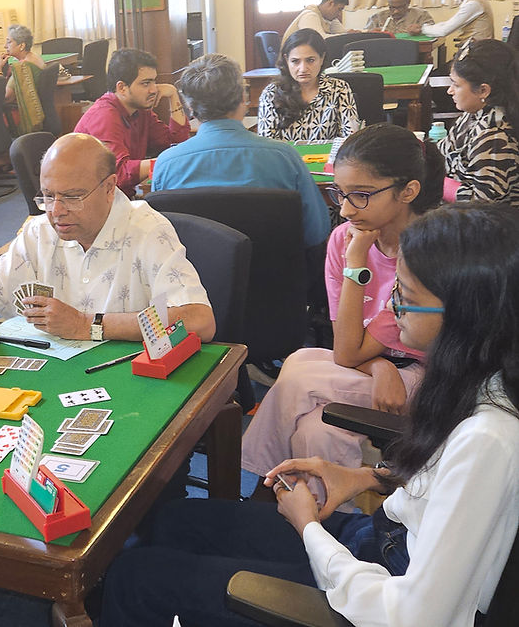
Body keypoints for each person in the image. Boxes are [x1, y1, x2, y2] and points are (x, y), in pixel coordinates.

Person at [101, 201, 519, 627]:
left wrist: (309, 530)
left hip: (372, 594)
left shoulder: (488, 438)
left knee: (133, 578)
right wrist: (363, 477)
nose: (393, 309)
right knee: (173, 521)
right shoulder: (478, 381)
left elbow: (415, 616)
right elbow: (441, 488)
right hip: (380, 541)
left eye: (404, 297)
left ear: (463, 313)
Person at [241, 125, 445, 490]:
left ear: (408, 191)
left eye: (362, 195)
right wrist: (381, 366)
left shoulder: (428, 251)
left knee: (301, 375)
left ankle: (260, 484)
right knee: (317, 429)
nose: (347, 209)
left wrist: (355, 266)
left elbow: (347, 351)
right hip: (373, 369)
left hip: (432, 379)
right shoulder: (343, 240)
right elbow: (345, 344)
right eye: (341, 194)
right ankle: (326, 520)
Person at [0, 133, 215, 350]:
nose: (56, 211)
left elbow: (200, 321)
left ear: (109, 188)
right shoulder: (39, 230)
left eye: (72, 197)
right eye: (48, 196)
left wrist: (86, 325)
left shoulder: (147, 230)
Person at [152, 54, 330, 250]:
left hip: (198, 278)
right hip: (279, 276)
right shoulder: (284, 157)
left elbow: (163, 240)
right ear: (243, 99)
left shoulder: (166, 164)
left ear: (190, 107)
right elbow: (317, 232)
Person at [73, 48, 189, 197]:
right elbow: (119, 174)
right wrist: (167, 162)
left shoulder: (139, 110)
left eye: (154, 81)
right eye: (145, 83)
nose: (154, 89)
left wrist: (173, 95)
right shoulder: (104, 116)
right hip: (94, 203)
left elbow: (174, 142)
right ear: (121, 88)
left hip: (120, 198)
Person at [438, 38, 519, 206]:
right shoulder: (473, 115)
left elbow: (482, 205)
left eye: (456, 85)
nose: (449, 90)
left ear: (483, 90)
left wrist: (441, 184)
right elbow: (443, 151)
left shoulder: (495, 135)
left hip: (489, 227)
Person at [257, 29, 359, 156]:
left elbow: (350, 140)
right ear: (286, 60)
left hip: (329, 166)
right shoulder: (271, 93)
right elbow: (266, 147)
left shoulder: (339, 89)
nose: (303, 68)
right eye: (295, 61)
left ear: (322, 59)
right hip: (286, 166)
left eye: (310, 60)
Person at [0, 24, 46, 103]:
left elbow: (5, 96)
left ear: (22, 46)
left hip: (19, 112)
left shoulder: (22, 66)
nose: (5, 46)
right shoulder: (35, 58)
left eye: (9, 42)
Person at [282, 0, 350, 43]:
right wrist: (347, 35)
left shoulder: (329, 18)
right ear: (331, 3)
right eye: (339, 9)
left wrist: (350, 34)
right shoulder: (310, 16)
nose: (339, 14)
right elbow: (320, 39)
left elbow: (341, 33)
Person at [364, 0, 435, 34]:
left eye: (400, 7)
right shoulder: (377, 18)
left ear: (408, 3)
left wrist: (421, 29)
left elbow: (433, 32)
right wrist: (371, 33)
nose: (395, 11)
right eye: (392, 7)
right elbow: (364, 38)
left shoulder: (421, 16)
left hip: (412, 52)